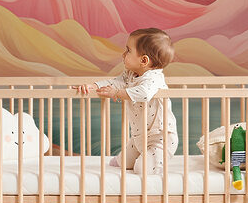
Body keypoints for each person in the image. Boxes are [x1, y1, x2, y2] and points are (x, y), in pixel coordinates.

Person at [76, 28, 178, 174]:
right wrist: (93, 86)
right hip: (139, 138)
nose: (123, 54)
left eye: (128, 50)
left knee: (141, 169)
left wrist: (116, 93)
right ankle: (138, 156)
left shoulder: (154, 78)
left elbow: (144, 93)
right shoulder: (131, 75)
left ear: (143, 60)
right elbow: (115, 82)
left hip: (160, 138)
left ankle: (157, 164)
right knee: (121, 163)